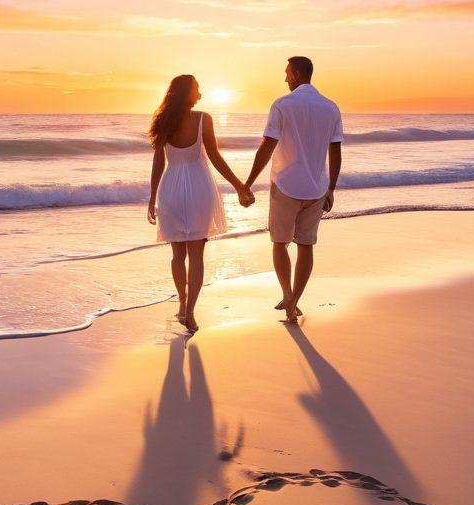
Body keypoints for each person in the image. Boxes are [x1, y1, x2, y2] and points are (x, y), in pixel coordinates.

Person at [147, 74, 253, 333]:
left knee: (177, 255)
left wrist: (152, 197)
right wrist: (239, 185)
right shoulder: (203, 119)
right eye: (197, 89)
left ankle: (182, 304)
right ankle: (190, 312)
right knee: (196, 256)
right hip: (198, 188)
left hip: (170, 188)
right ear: (187, 93)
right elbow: (215, 157)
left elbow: (158, 162)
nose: (201, 94)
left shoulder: (162, 121)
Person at [243, 56, 343, 323]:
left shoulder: (283, 105)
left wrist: (248, 182)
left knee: (279, 242)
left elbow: (267, 146)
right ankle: (294, 300)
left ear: (297, 74)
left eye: (287, 73)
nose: (285, 78)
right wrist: (331, 187)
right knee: (306, 245)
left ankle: (288, 294)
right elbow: (336, 151)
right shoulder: (331, 107)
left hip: (286, 185)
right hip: (317, 187)